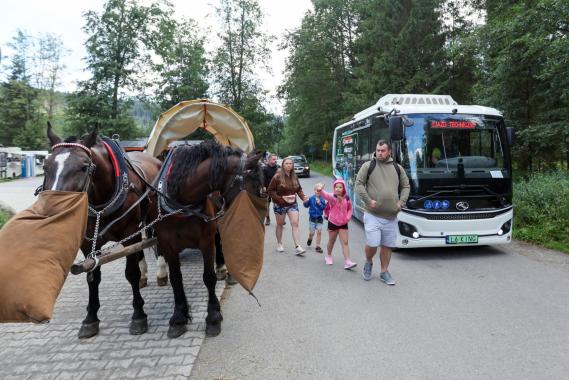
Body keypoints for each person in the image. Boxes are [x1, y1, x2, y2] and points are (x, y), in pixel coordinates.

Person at [355, 140, 410, 285]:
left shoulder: (397, 168)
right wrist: (367, 200)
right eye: (378, 150)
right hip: (373, 214)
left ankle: (384, 271)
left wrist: (401, 203)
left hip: (391, 216)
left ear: (389, 151)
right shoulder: (369, 166)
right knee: (373, 243)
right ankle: (368, 262)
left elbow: (406, 186)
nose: (379, 153)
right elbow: (358, 184)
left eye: (383, 150)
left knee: (387, 245)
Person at [267, 156, 309, 255]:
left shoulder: (294, 176)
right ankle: (279, 243)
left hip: (292, 204)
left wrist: (304, 198)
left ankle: (298, 246)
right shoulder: (277, 176)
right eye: (287, 163)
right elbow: (270, 190)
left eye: (290, 164)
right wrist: (280, 199)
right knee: (280, 224)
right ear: (283, 165)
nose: (289, 165)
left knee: (295, 223)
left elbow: (298, 189)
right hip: (280, 204)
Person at [319, 179, 357, 269]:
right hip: (333, 222)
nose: (338, 189)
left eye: (340, 187)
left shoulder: (347, 198)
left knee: (345, 242)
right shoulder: (332, 197)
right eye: (336, 187)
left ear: (343, 188)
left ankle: (348, 261)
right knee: (332, 241)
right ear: (334, 188)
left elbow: (350, 209)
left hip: (343, 223)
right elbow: (324, 195)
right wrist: (321, 189)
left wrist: (347, 218)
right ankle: (328, 256)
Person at [303, 183, 327, 253]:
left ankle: (318, 246)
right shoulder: (311, 198)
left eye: (320, 191)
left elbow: (324, 208)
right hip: (312, 218)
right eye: (317, 190)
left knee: (319, 232)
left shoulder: (322, 199)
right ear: (314, 190)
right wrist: (305, 201)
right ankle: (310, 239)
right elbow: (306, 206)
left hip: (319, 218)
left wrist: (320, 203)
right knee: (312, 233)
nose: (318, 192)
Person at [262, 153, 279, 225]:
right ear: (269, 160)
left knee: (277, 204)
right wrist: (263, 187)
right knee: (267, 205)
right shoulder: (264, 169)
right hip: (267, 189)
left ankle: (279, 219)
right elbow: (262, 179)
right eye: (273, 159)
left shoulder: (278, 168)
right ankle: (268, 218)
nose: (275, 161)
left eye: (276, 159)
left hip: (276, 189)